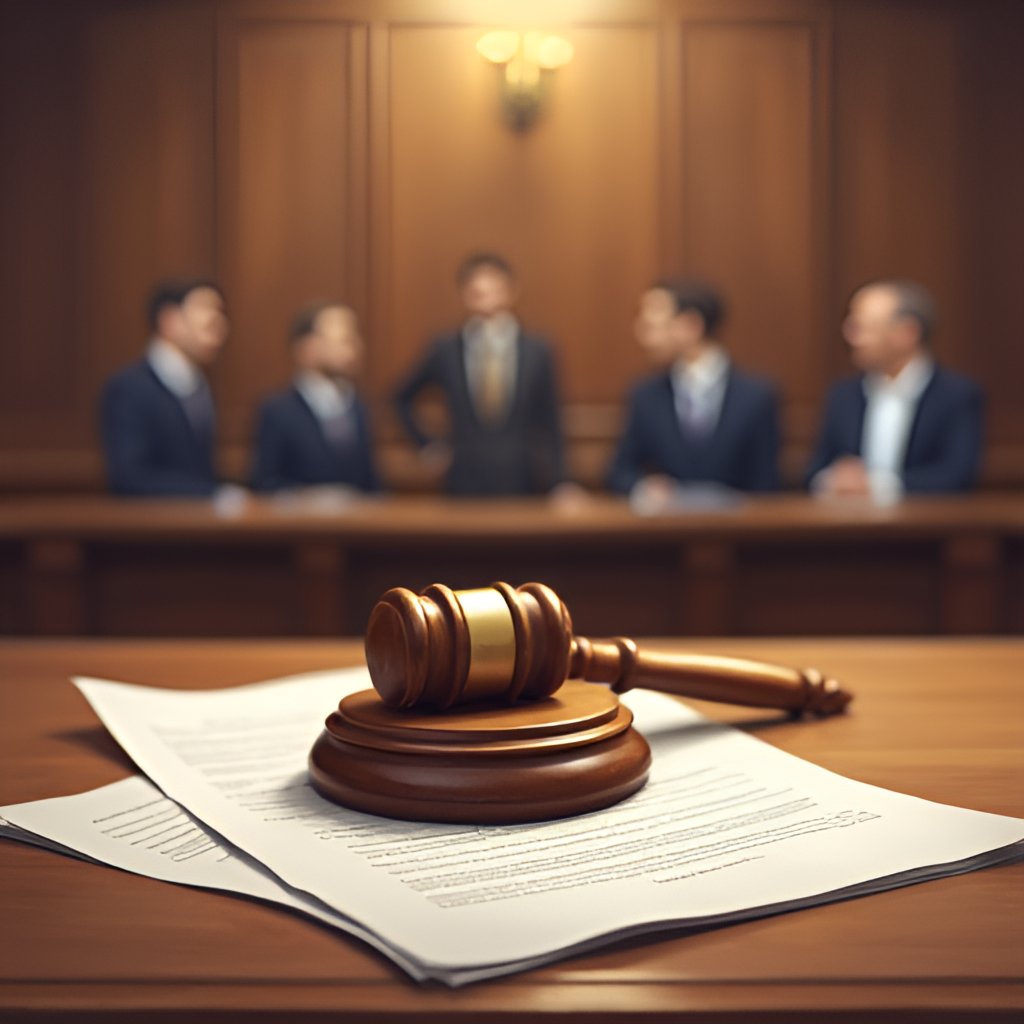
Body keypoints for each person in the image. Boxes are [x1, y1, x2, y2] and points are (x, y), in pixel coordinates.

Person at [393, 253, 566, 496]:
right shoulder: (445, 349)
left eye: (493, 286)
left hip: (523, 479)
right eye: (475, 288)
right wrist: (427, 444)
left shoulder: (538, 350)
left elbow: (551, 419)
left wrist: (561, 481)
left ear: (511, 290)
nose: (484, 293)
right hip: (464, 479)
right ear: (464, 293)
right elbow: (400, 397)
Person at [807, 280, 983, 502]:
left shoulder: (957, 396)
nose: (850, 336)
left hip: (924, 529)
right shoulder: (843, 395)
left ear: (907, 333)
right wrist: (833, 479)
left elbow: (957, 475)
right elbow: (815, 468)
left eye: (862, 327)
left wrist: (876, 485)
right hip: (848, 530)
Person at [606, 279, 780, 504]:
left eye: (653, 325)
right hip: (664, 530)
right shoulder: (645, 396)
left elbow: (766, 484)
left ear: (691, 326)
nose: (641, 332)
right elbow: (620, 471)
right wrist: (643, 487)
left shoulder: (757, 396)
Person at [100, 276, 230, 497]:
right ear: (169, 320)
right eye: (205, 307)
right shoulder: (128, 389)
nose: (217, 321)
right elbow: (130, 476)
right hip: (149, 526)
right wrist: (212, 495)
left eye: (220, 311)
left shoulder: (200, 386)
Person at [251, 302, 379, 493]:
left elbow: (371, 482)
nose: (355, 347)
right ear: (308, 347)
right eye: (344, 340)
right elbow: (265, 483)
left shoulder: (358, 406)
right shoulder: (278, 410)